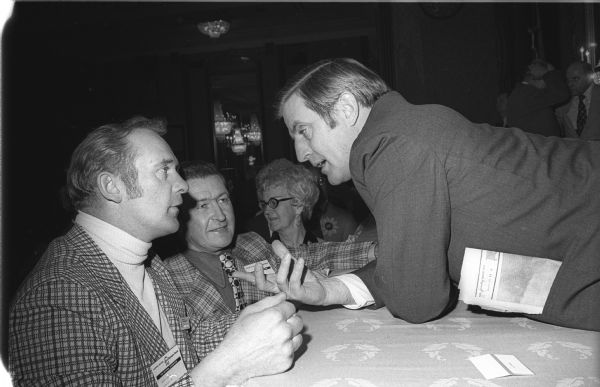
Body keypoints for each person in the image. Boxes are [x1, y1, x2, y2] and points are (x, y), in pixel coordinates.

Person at [237, 58, 600, 332]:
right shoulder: (401, 132)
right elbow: (414, 259)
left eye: (303, 130)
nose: (300, 153)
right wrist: (332, 289)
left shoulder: (388, 146)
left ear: (346, 109)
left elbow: (416, 299)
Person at [8, 117, 303, 386]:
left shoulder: (148, 263)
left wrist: (254, 321)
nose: (183, 185)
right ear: (112, 186)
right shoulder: (57, 294)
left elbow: (182, 346)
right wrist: (228, 366)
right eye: (164, 170)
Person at [164, 160, 376, 320]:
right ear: (179, 214)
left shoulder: (250, 244)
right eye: (203, 205)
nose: (220, 215)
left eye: (223, 200)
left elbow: (310, 255)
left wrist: (375, 251)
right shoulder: (166, 279)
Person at [505, 59, 569, 136]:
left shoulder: (524, 92)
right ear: (537, 75)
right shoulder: (528, 93)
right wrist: (546, 72)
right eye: (550, 76)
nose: (551, 81)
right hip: (539, 147)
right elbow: (561, 94)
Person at [557, 61, 600, 140]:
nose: (570, 84)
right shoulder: (565, 102)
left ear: (589, 76)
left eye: (575, 79)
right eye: (568, 80)